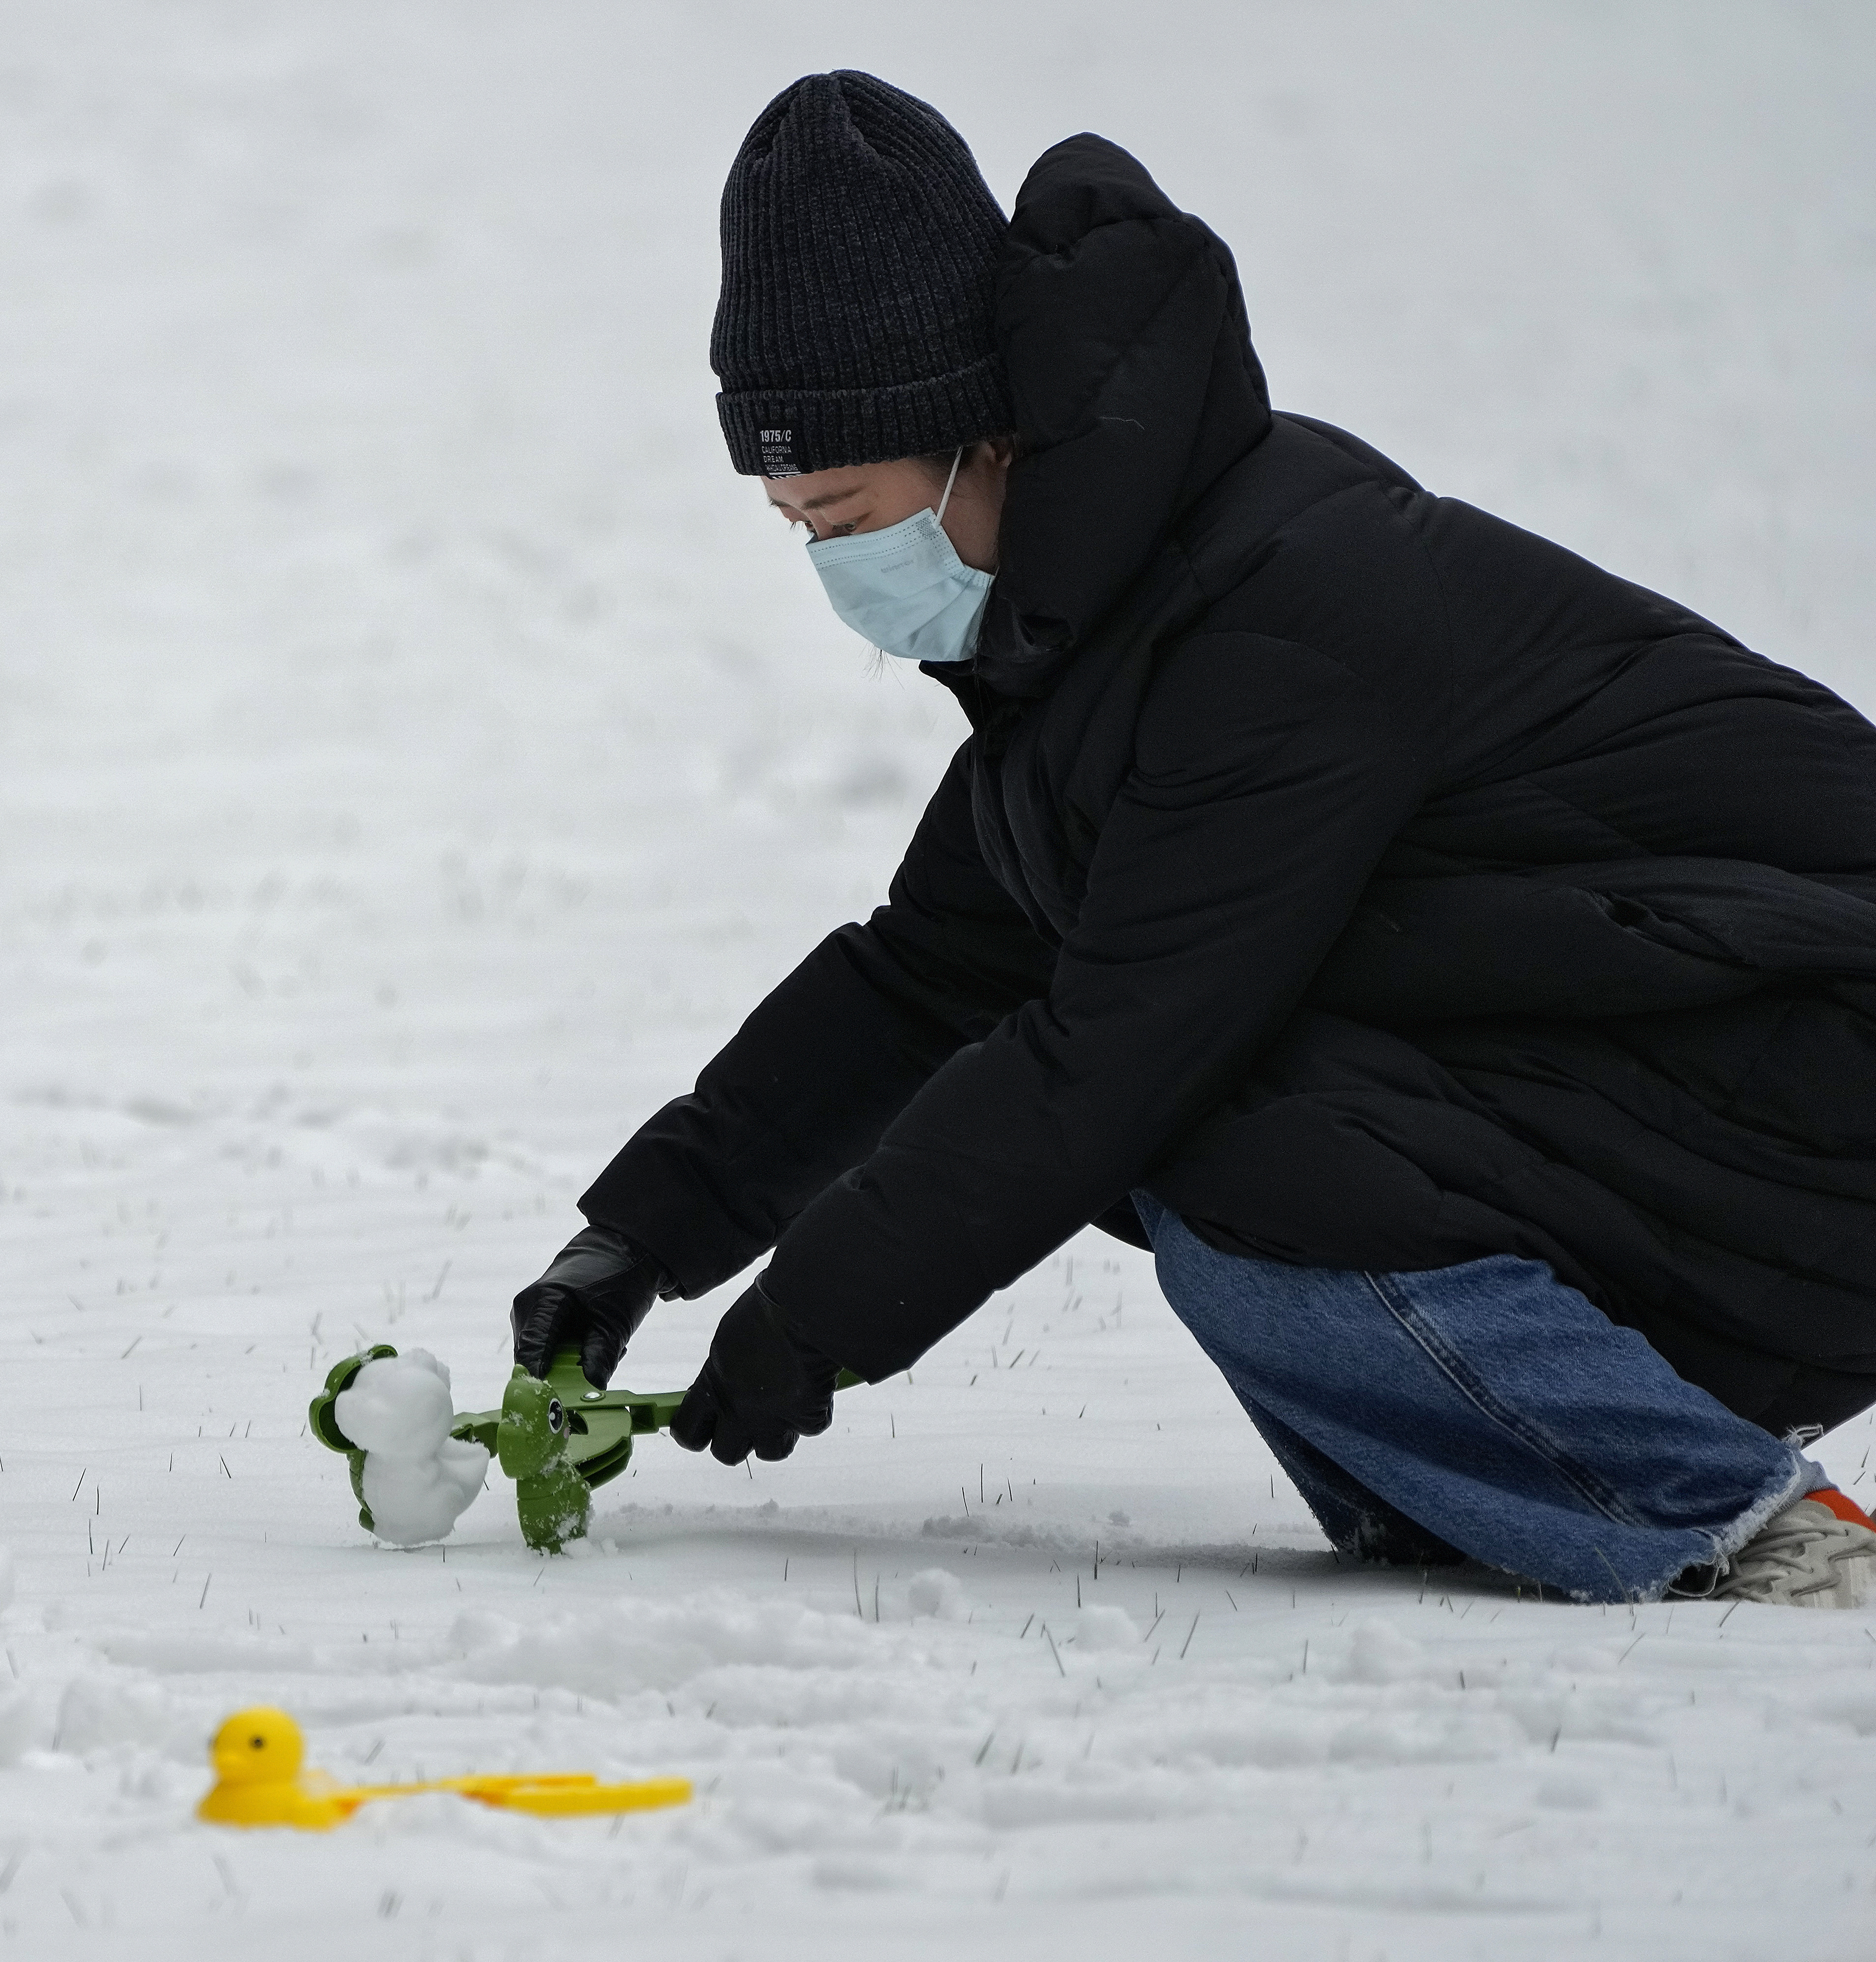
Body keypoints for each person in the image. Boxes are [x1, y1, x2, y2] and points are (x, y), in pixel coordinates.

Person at [510, 71, 1876, 1607]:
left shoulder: (1279, 623)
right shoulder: (1096, 631)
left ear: (981, 442)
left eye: (843, 510)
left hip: (1813, 1076)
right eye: (796, 527)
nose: (832, 564)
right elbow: (931, 974)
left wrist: (810, 1325)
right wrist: (635, 1243)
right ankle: (1501, 1492)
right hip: (1679, 1080)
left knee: (1215, 1134)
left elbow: (1114, 1052)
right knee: (1191, 1126)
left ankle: (1736, 1523)